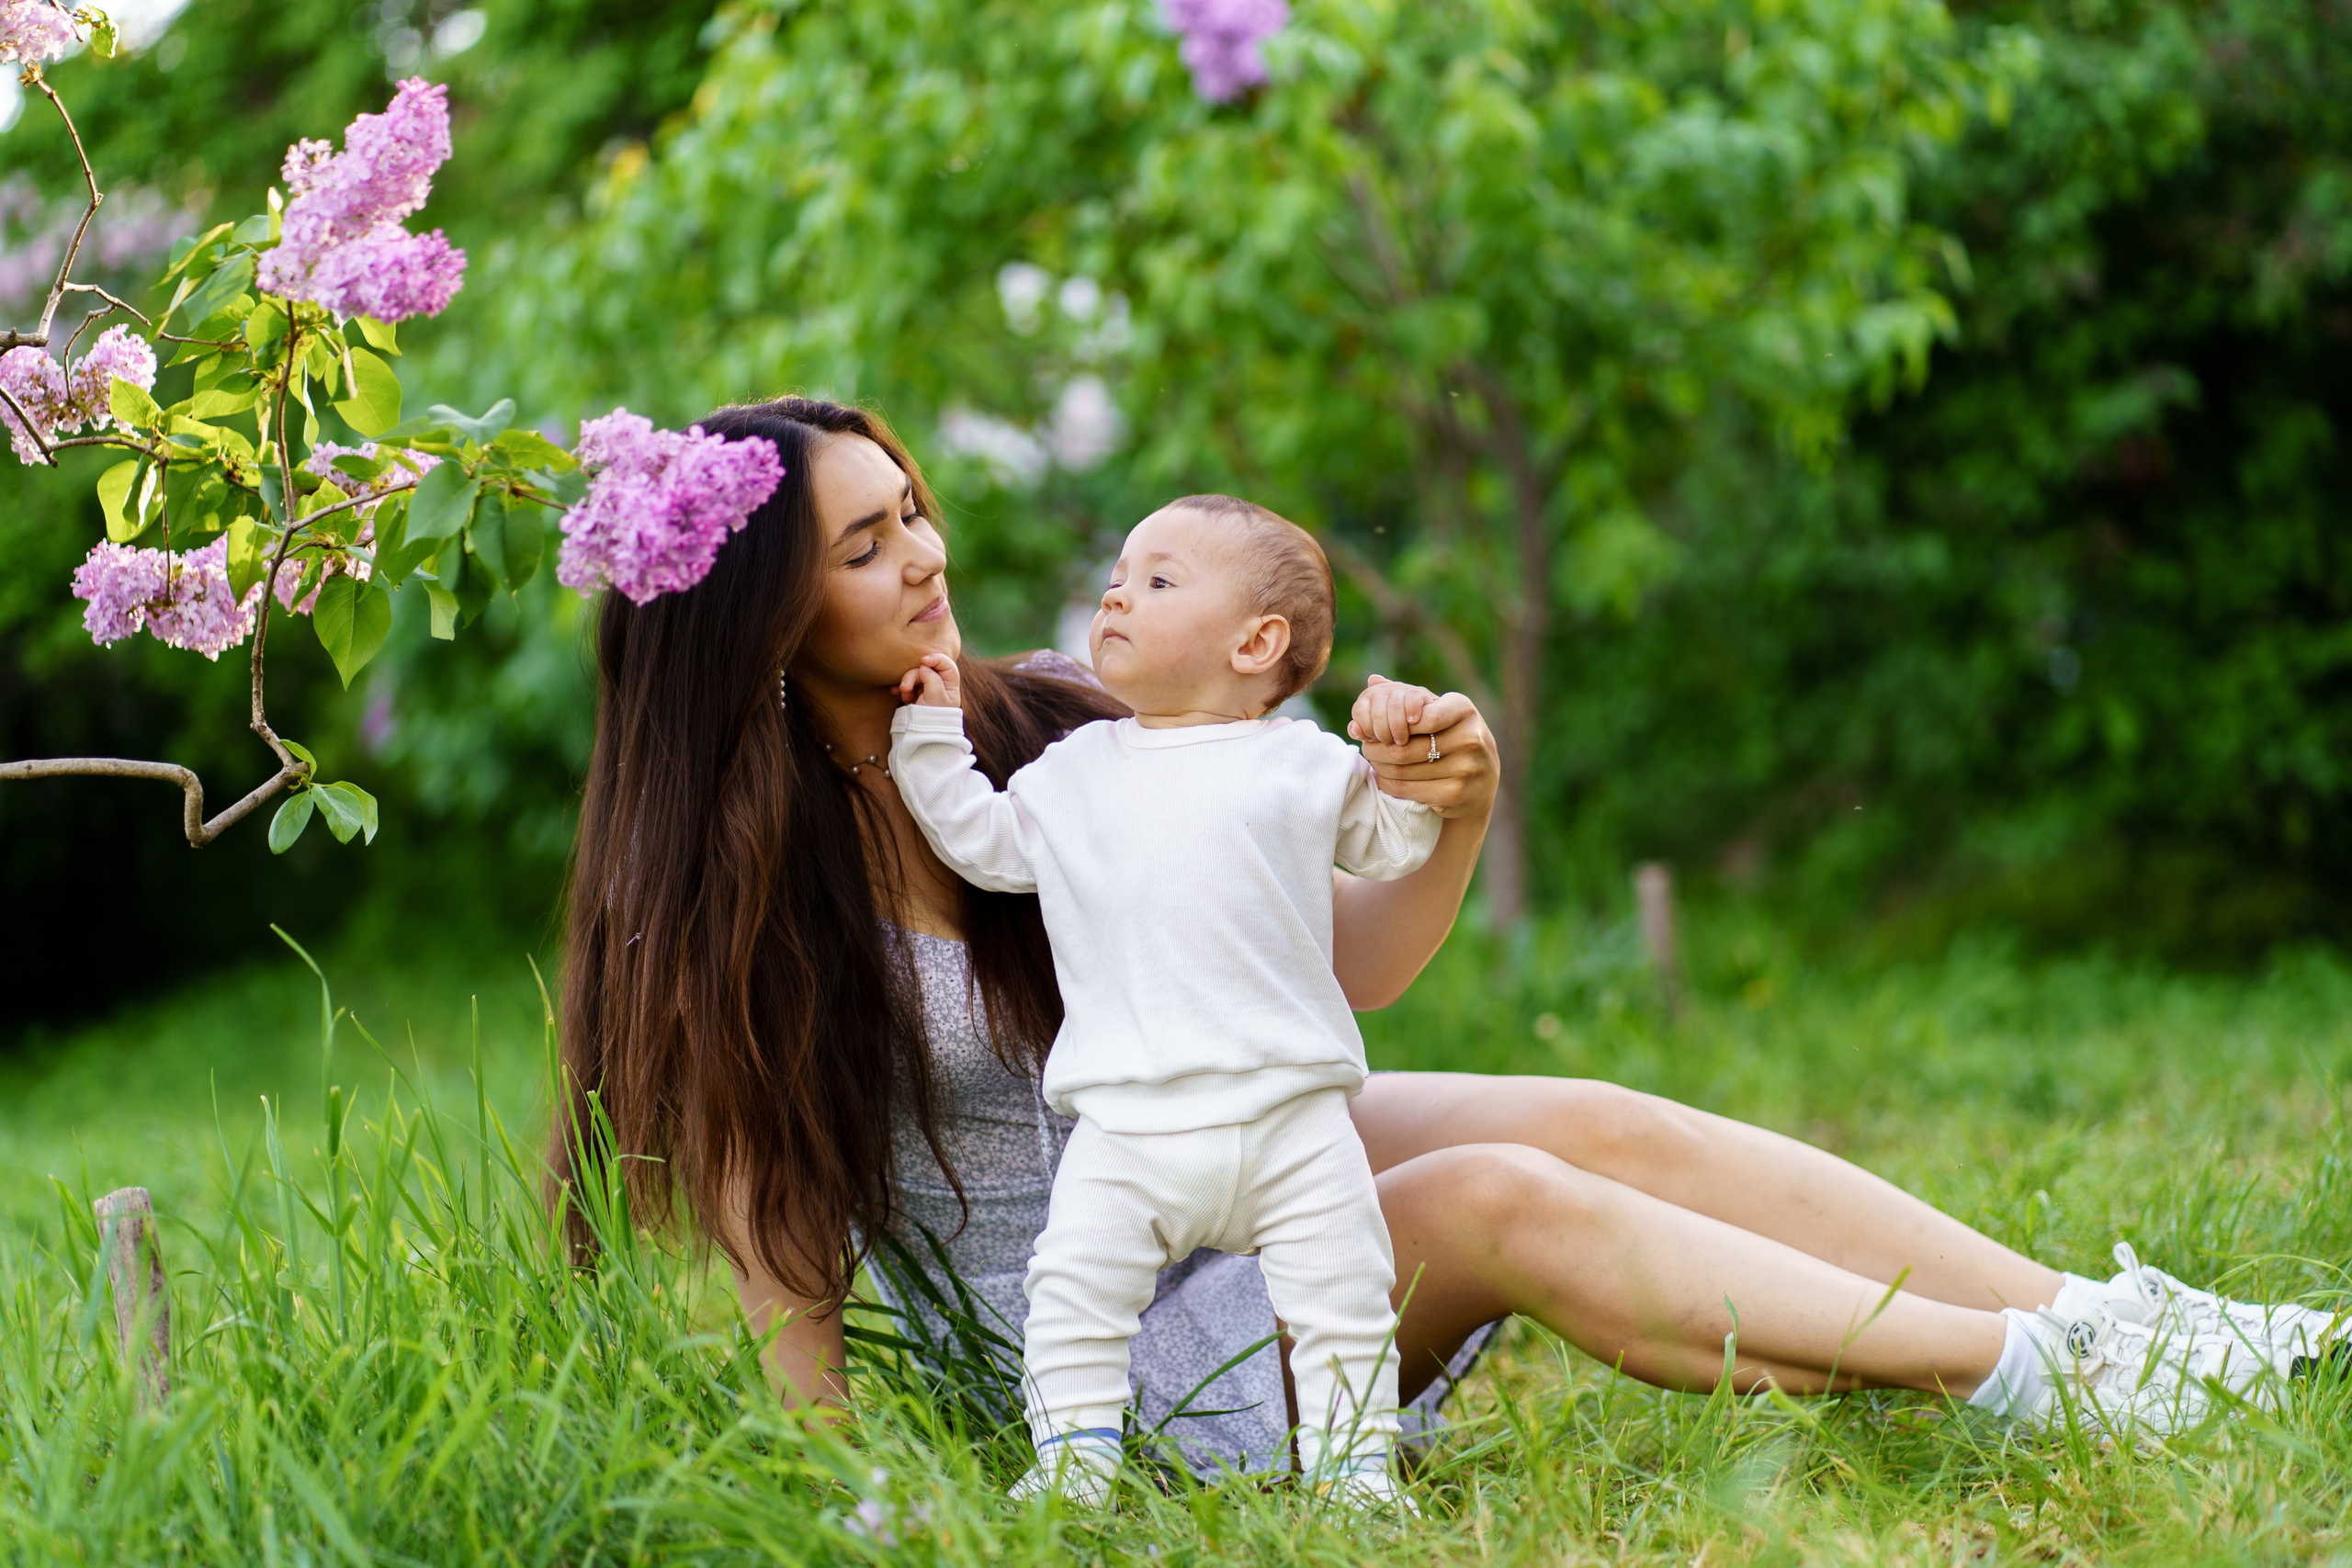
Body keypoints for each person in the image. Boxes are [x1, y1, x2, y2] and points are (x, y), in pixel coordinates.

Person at [555, 397, 2340, 1491]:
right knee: (1498, 1197)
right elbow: (787, 1256)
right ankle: (2035, 1384)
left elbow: (1340, 973)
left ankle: (2121, 1322)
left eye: (914, 504)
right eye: (869, 545)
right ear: (759, 618)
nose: (929, 554)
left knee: (1576, 1115)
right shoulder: (724, 906)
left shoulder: (1048, 732)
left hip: (1208, 1170)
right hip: (1104, 1347)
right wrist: (855, 1497)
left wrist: (1452, 811)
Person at [886, 496, 1443, 1504]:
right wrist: (929, 733)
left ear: (1255, 642)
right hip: (1131, 1120)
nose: (1115, 595)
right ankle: (1073, 1466)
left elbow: (1396, 843)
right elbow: (980, 841)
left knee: (1344, 1299)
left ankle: (1355, 1468)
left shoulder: (1303, 765)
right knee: (1074, 1293)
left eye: (1157, 580)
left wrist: (1408, 756)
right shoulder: (1075, 773)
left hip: (1292, 1114)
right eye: (1116, 575)